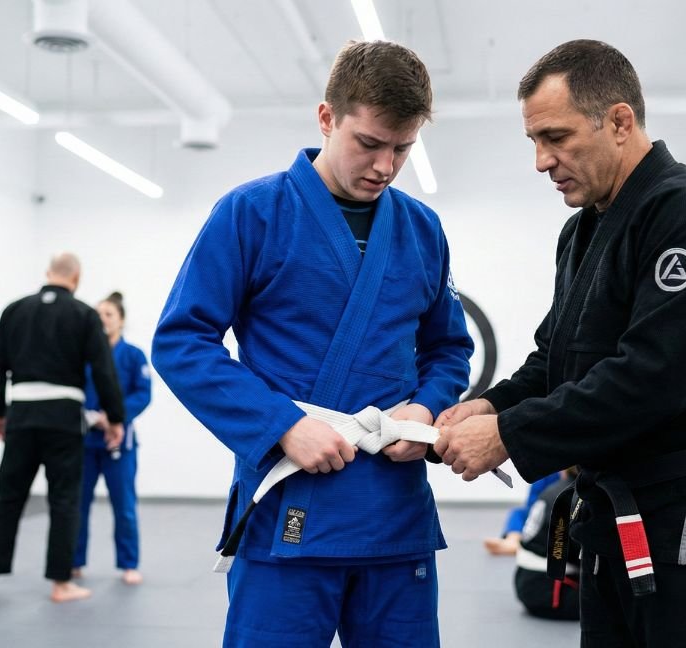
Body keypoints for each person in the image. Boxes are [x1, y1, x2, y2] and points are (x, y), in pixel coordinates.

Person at [433, 39, 686, 647]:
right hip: (612, 522)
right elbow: (557, 358)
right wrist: (490, 405)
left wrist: (509, 435)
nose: (542, 161)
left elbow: (653, 377)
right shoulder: (582, 230)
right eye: (534, 141)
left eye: (556, 137)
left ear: (619, 122)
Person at [151, 40, 473, 647]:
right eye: (369, 143)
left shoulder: (422, 229)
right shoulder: (252, 213)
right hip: (290, 500)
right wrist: (280, 425)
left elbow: (449, 348)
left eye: (402, 148)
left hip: (393, 513)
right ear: (327, 118)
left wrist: (427, 407)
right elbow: (182, 341)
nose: (385, 165)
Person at [0, 252, 125, 603]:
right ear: (76, 278)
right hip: (63, 417)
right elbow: (103, 370)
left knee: (8, 497)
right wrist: (115, 418)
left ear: (48, 273)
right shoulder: (84, 315)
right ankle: (61, 584)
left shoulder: (14, 310)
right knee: (64, 499)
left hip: (22, 414)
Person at [73, 292, 152, 586]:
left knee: (124, 506)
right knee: (77, 505)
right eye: (98, 314)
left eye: (108, 314)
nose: (102, 319)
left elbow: (143, 393)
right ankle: (74, 561)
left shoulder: (133, 355)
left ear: (121, 320)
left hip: (120, 444)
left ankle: (129, 563)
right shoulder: (82, 353)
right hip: (85, 441)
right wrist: (91, 417)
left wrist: (115, 417)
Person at [514, 476, 581, 621]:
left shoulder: (554, 490)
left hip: (527, 582)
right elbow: (581, 551)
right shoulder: (576, 496)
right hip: (554, 591)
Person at [484, 469, 568, 555]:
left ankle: (518, 544)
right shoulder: (545, 474)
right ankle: (513, 540)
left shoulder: (569, 478)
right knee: (518, 513)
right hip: (542, 509)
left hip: (561, 513)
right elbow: (532, 500)